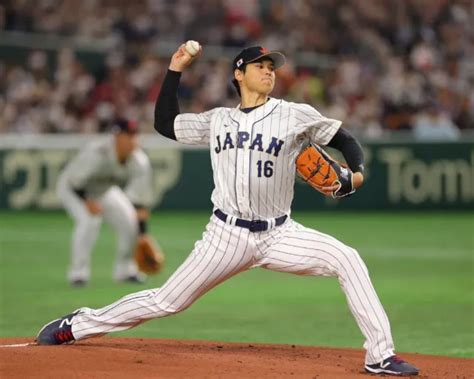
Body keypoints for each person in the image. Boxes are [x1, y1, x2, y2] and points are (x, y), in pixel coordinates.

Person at [37, 45, 419, 376]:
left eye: (272, 67)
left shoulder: (294, 114)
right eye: (260, 66)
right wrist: (175, 69)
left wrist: (358, 171)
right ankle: (79, 324)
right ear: (239, 73)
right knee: (167, 301)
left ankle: (380, 355)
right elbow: (165, 124)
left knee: (347, 259)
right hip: (226, 235)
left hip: (280, 233)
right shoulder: (218, 120)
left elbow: (344, 139)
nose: (269, 71)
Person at [56, 118, 156, 286]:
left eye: (135, 135)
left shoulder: (139, 161)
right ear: (116, 137)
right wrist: (87, 201)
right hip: (73, 189)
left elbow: (140, 202)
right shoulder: (97, 152)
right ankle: (78, 273)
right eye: (128, 135)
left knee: (129, 221)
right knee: (89, 221)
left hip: (104, 191)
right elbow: (75, 182)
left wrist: (143, 234)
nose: (133, 139)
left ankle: (125, 270)